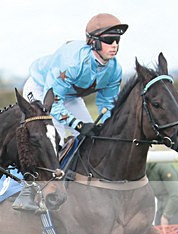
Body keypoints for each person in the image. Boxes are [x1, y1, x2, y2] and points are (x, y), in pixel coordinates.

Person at [14, 12, 129, 212]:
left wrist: (106, 127)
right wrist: (79, 125)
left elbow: (108, 104)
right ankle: (28, 190)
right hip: (42, 89)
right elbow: (54, 102)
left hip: (69, 96)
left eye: (117, 40)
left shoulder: (114, 69)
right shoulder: (73, 63)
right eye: (109, 40)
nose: (115, 45)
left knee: (92, 139)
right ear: (93, 42)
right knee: (51, 138)